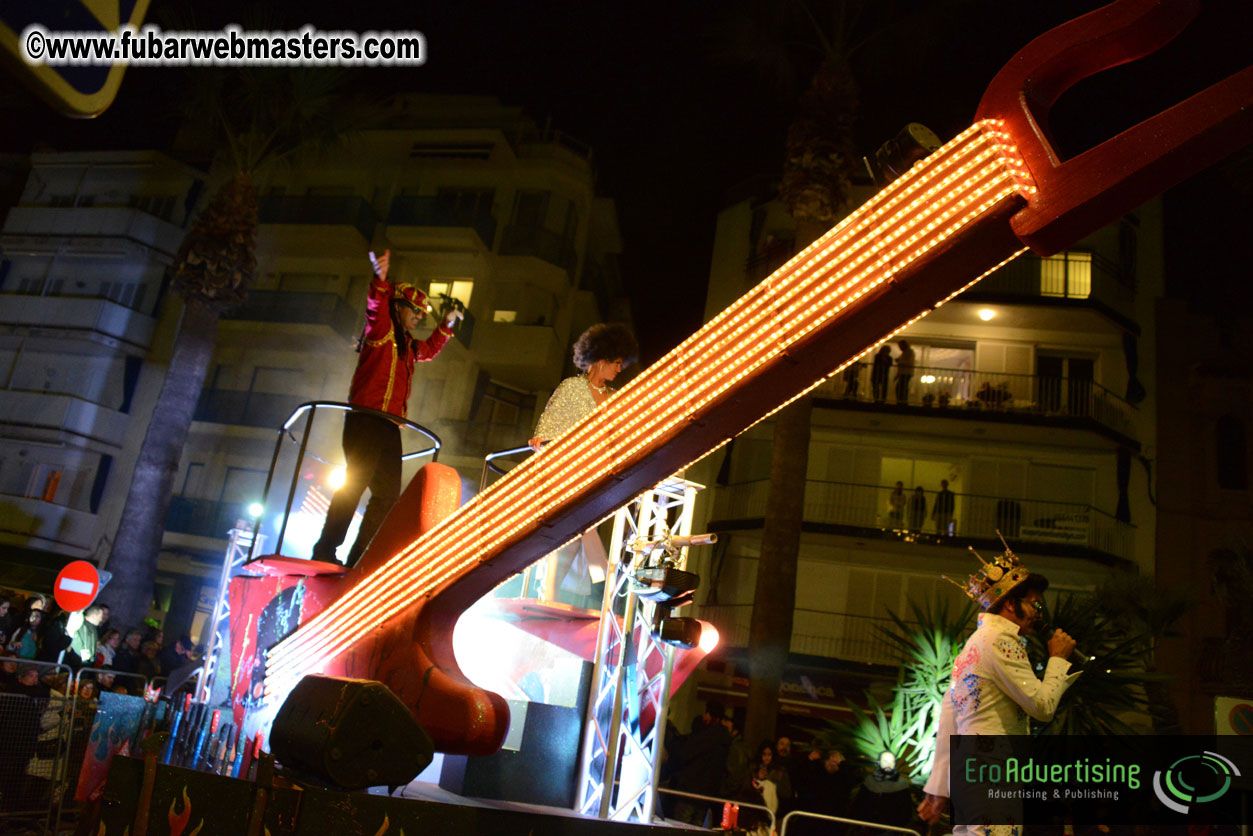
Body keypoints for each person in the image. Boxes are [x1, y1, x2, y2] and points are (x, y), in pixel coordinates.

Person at [312, 249, 463, 566]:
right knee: (354, 484)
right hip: (366, 419)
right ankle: (325, 550)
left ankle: (359, 560)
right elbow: (375, 307)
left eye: (423, 314)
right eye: (415, 311)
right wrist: (381, 280)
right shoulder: (380, 331)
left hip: (390, 425)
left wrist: (447, 325)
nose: (419, 317)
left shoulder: (409, 346)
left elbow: (431, 349)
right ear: (399, 306)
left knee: (387, 495)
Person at [917, 547, 1081, 835]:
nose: (1038, 614)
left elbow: (949, 718)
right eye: (1035, 605)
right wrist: (1057, 660)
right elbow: (1042, 707)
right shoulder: (1002, 642)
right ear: (1009, 604)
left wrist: (940, 787)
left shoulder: (974, 644)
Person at [527, 322, 638, 603]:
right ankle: (547, 595)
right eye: (616, 363)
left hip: (597, 477)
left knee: (580, 541)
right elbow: (546, 432)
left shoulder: (614, 399)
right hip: (567, 473)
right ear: (600, 361)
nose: (619, 369)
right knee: (561, 536)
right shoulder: (572, 387)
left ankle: (556, 597)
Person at [670, 701, 732, 827]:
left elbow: (684, 754)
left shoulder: (704, 736)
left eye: (706, 714)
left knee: (680, 827)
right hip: (707, 796)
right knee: (696, 828)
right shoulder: (724, 740)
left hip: (690, 792)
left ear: (710, 715)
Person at [894, 339, 915, 403]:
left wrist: (900, 361)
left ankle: (902, 401)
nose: (900, 348)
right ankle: (902, 401)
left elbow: (910, 362)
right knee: (901, 387)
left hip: (906, 373)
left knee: (901, 388)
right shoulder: (905, 352)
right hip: (904, 373)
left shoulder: (909, 352)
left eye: (900, 346)